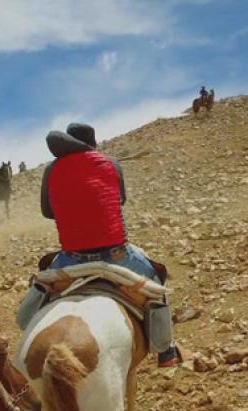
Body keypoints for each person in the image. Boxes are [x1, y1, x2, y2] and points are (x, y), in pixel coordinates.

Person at [38, 122, 181, 367]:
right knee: (156, 278)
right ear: (92, 143)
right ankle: (165, 349)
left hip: (71, 258)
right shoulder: (109, 163)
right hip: (116, 256)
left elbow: (47, 212)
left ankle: (27, 335)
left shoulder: (51, 170)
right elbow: (120, 199)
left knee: (40, 286)